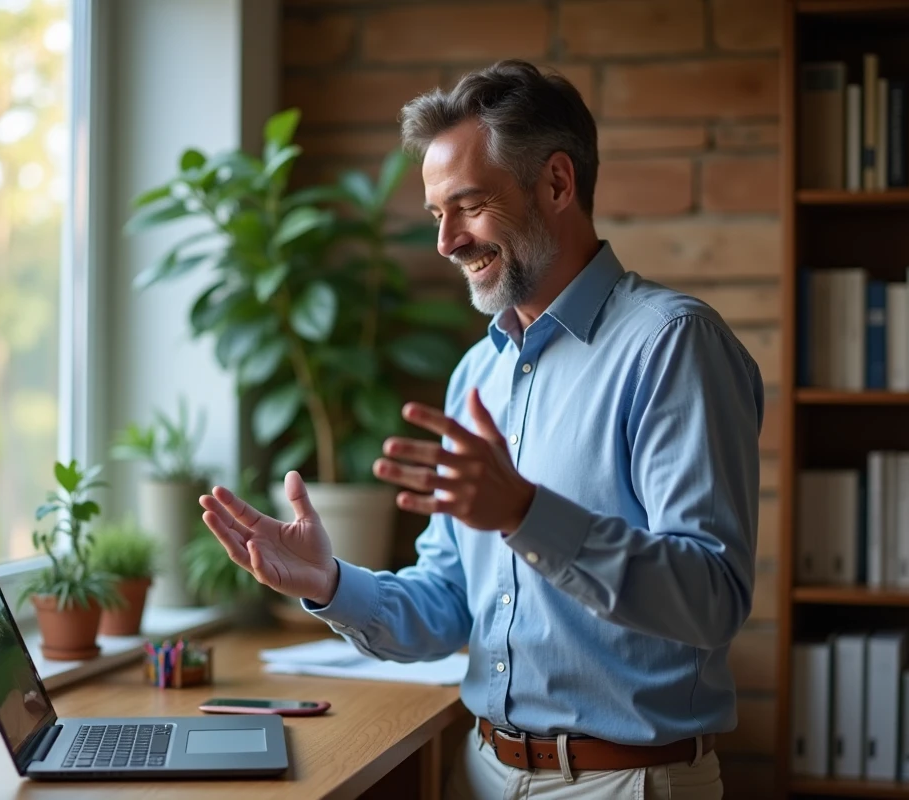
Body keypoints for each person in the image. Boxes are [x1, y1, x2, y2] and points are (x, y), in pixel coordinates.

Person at [199, 59, 764, 800]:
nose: (447, 243)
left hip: (624, 785)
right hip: (485, 773)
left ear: (557, 184)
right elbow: (449, 601)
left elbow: (713, 598)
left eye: (467, 206)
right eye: (437, 214)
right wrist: (330, 585)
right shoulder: (478, 374)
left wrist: (528, 516)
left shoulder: (672, 346)